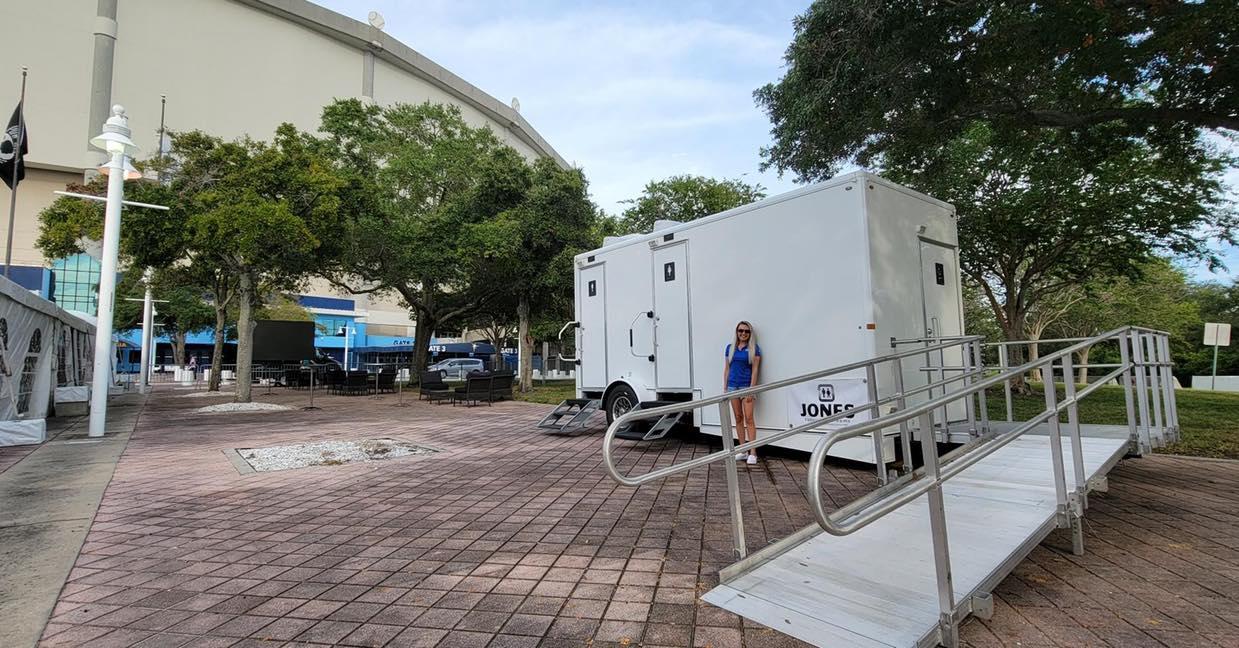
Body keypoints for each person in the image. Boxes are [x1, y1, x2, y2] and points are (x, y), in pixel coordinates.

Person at [723, 320, 761, 465]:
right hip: (733, 387)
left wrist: (752, 389)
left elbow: (755, 370)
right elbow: (727, 369)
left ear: (750, 333)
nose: (743, 333)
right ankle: (743, 450)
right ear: (737, 332)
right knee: (738, 418)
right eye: (740, 331)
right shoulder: (730, 348)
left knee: (749, 419)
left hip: (746, 387)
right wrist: (725, 388)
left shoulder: (754, 349)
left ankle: (753, 453)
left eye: (746, 331)